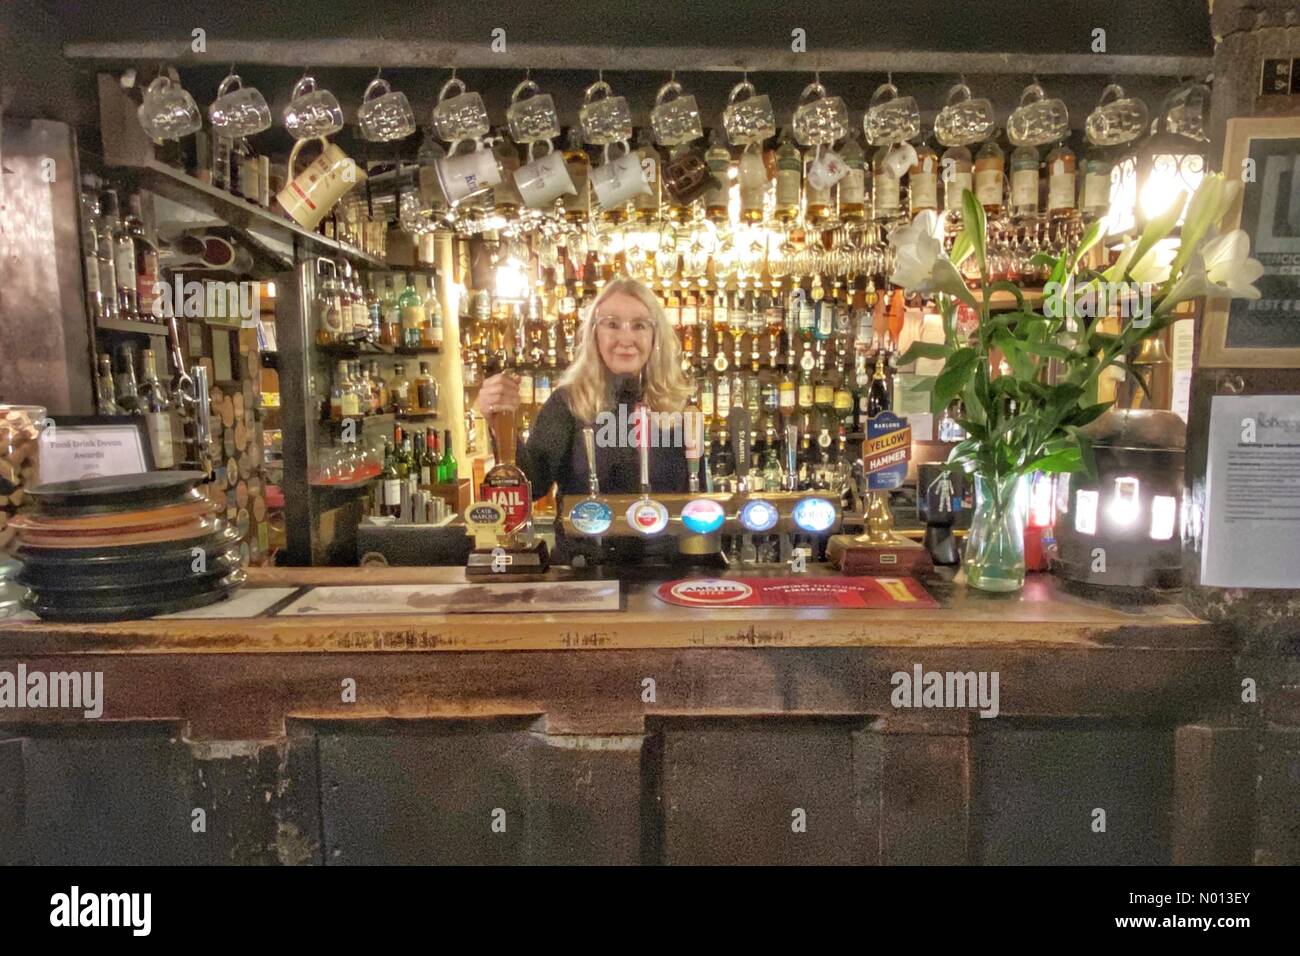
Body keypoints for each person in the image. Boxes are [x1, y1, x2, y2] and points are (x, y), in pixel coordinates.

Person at [475, 275, 695, 499]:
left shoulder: (677, 403)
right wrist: (501, 424)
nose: (626, 338)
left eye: (639, 325)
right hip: (585, 535)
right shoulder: (569, 402)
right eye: (612, 324)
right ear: (594, 334)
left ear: (655, 336)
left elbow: (697, 499)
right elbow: (531, 487)